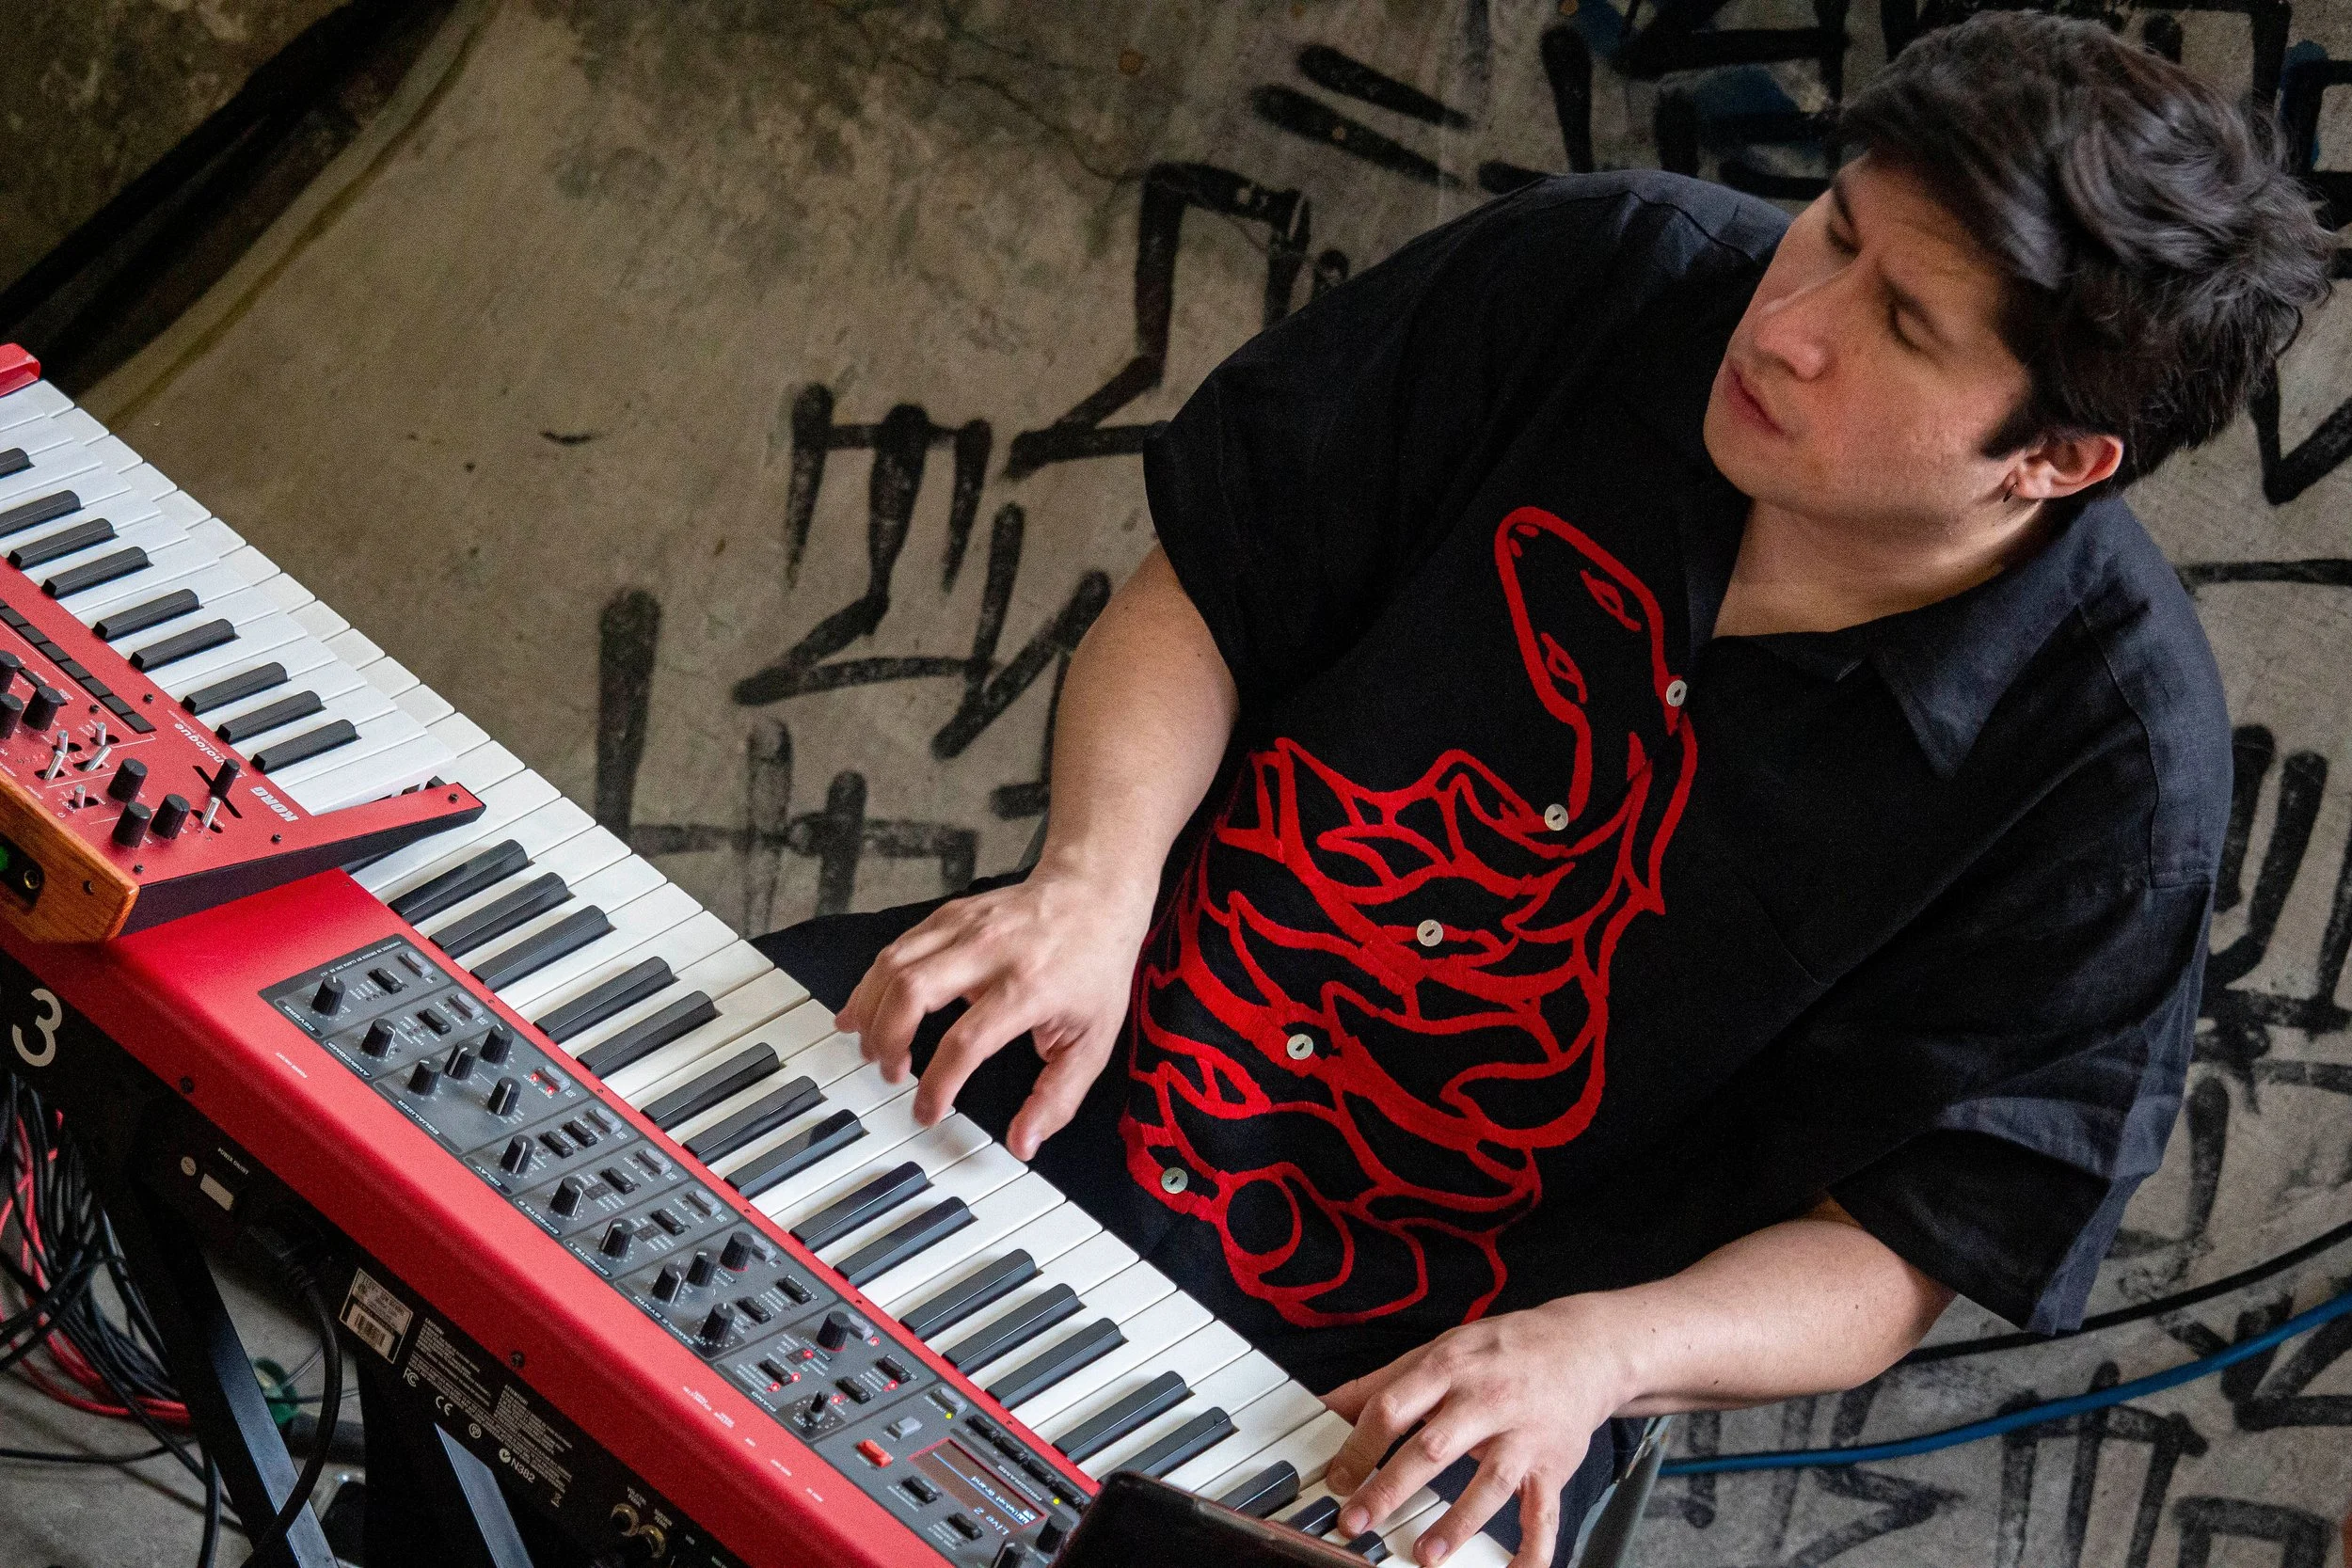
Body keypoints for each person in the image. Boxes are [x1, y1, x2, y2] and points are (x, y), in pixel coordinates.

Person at [755, 11, 2338, 1565]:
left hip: (1408, 1388)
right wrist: (1093, 880)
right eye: (1833, 231)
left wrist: (1607, 1352)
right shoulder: (1601, 271)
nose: (1791, 323)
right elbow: (1215, 592)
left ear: (2054, 458)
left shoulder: (2111, 784)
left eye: (1903, 326)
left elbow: (1901, 1241)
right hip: (1057, 1073)